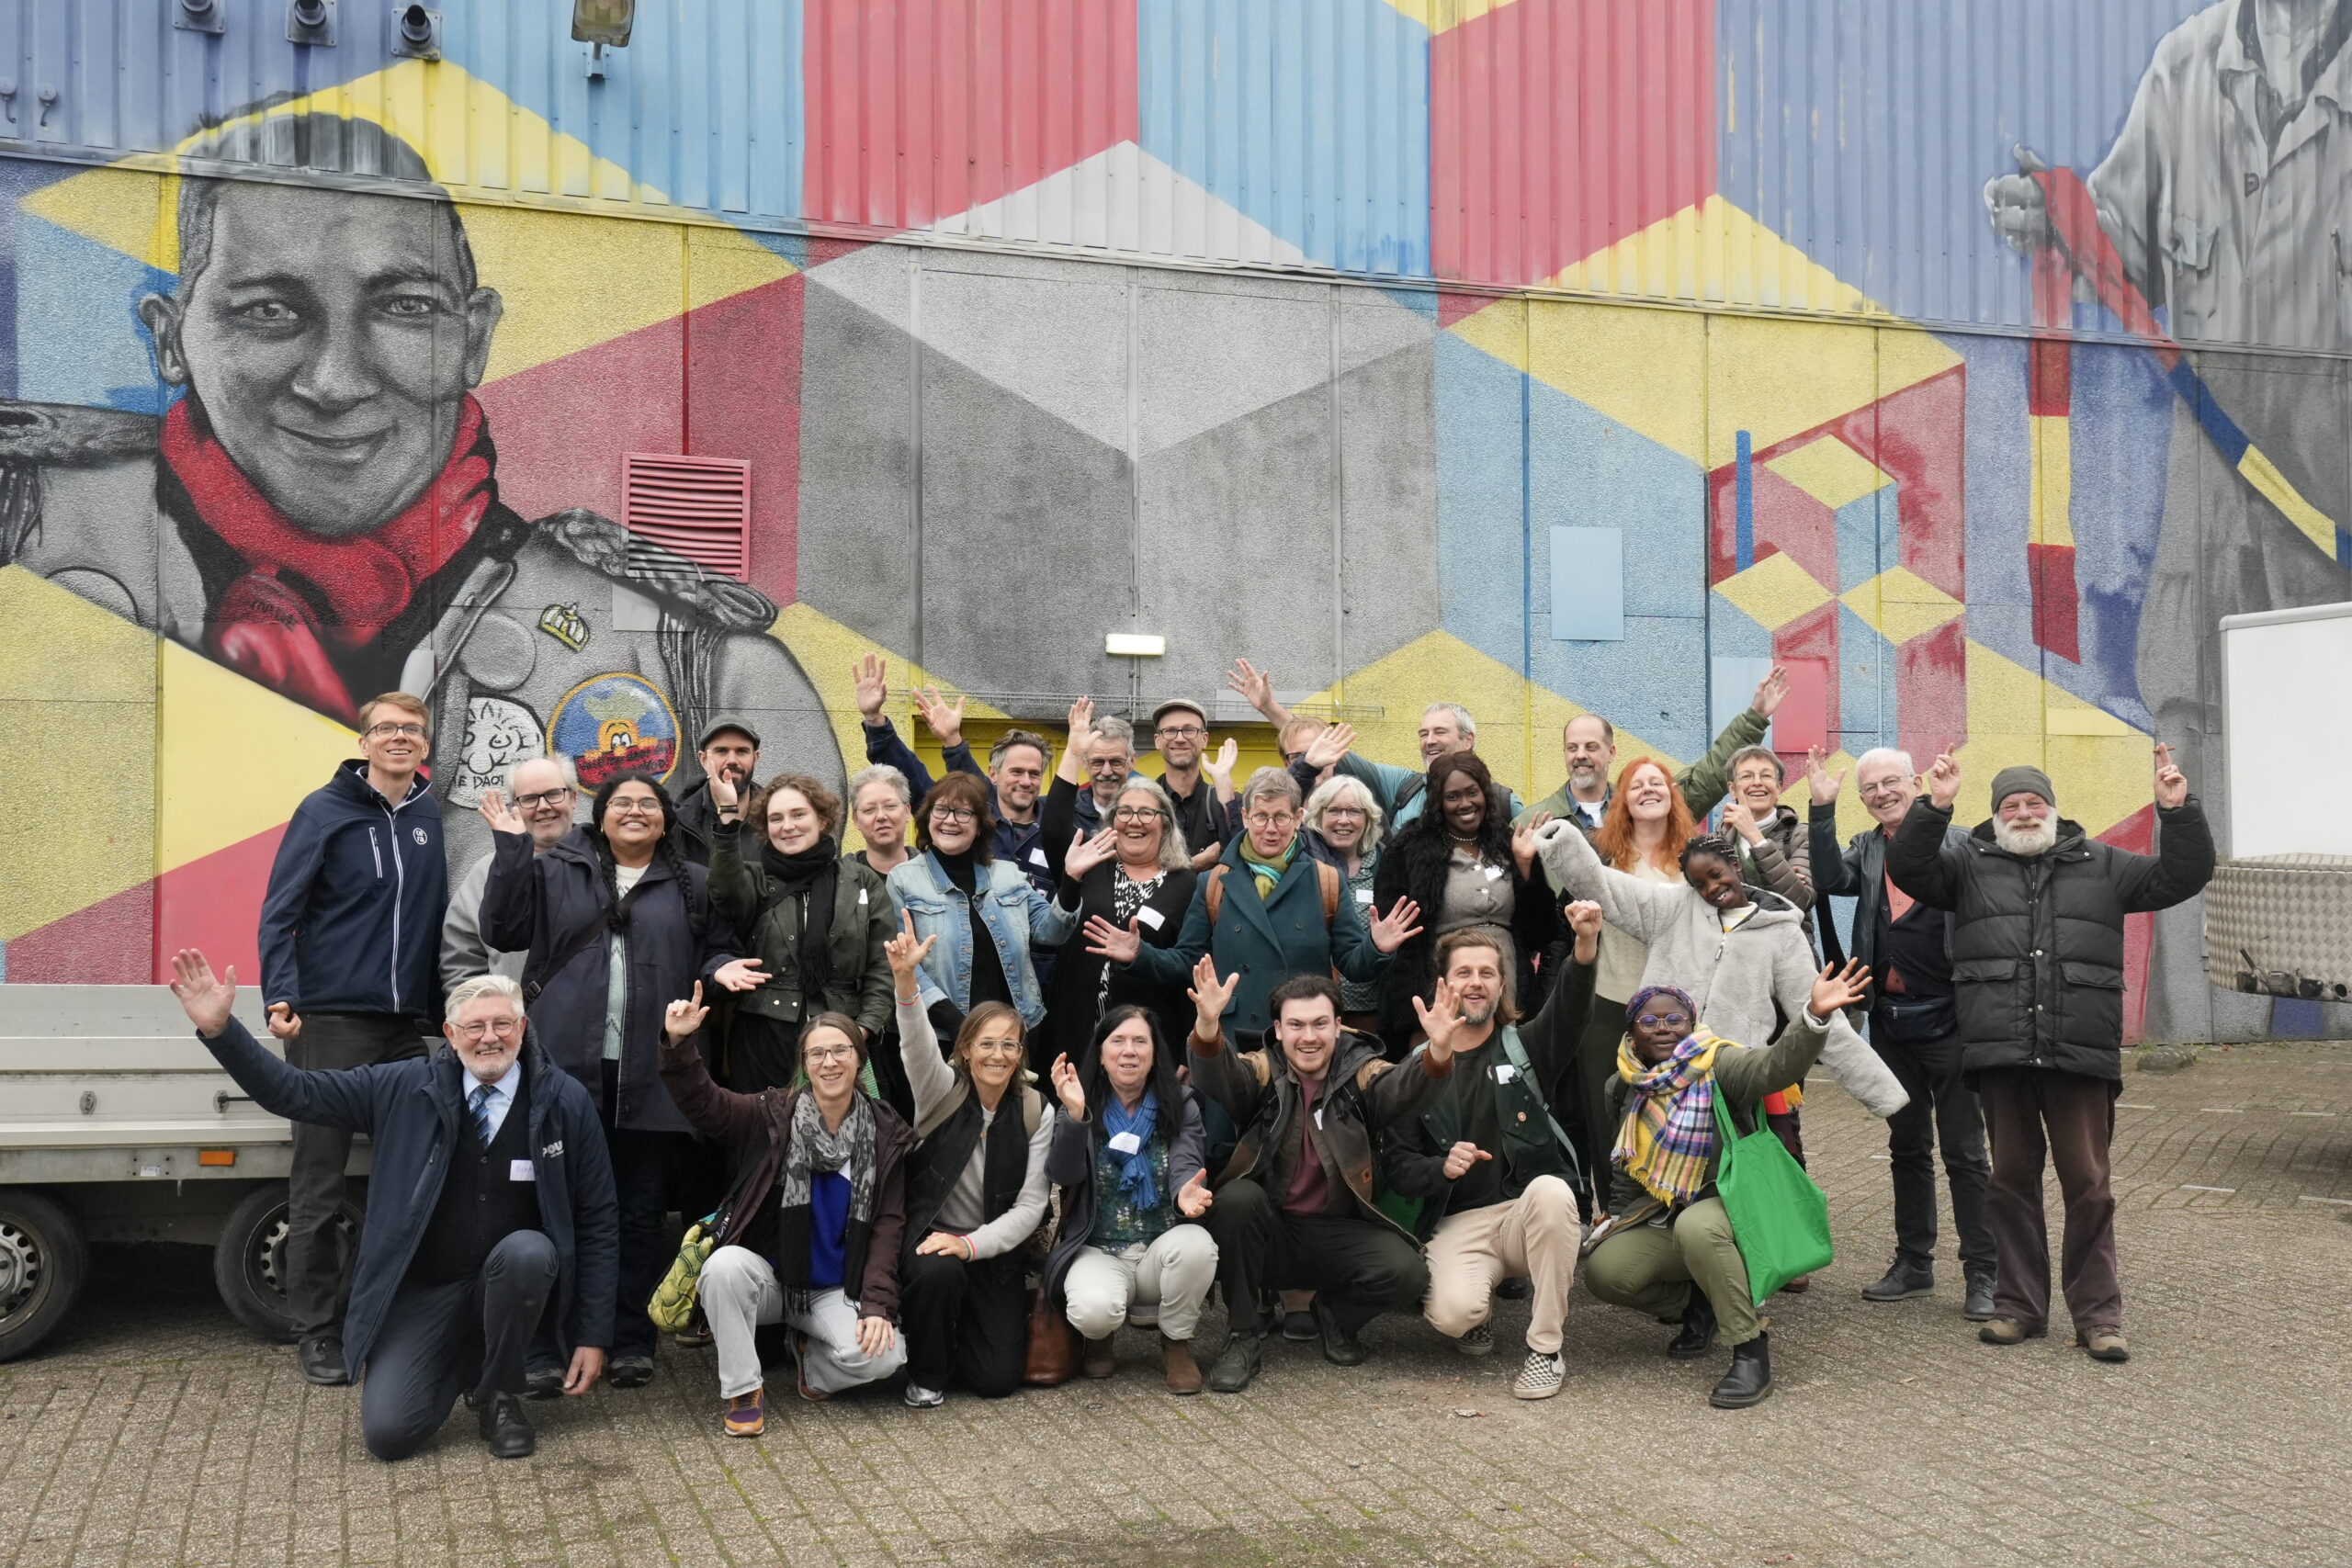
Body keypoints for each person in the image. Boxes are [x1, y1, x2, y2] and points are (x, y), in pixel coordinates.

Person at [1, 109, 838, 878]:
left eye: (404, 307)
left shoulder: (694, 667)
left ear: (473, 337)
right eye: (268, 311)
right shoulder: (29, 536)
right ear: (170, 337)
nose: (334, 382)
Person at [169, 955, 616, 1461]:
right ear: (449, 1032)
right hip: (423, 1290)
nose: (489, 1038)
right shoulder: (402, 1086)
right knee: (389, 1435)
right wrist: (222, 1031)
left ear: (522, 1027)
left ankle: (498, 1390)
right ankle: (462, 1356)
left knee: (529, 1253)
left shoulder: (565, 1101)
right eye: (475, 1026)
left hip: (513, 1281)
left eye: (502, 1024)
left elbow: (599, 1221)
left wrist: (593, 1335)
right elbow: (294, 1091)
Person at [1887, 747, 2215, 1361]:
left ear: (2054, 809)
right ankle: (2019, 1306)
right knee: (2009, 1183)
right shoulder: (1967, 866)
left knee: (2088, 1183)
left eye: (2033, 802)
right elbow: (1908, 867)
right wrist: (1936, 805)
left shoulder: (2105, 864)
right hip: (2001, 1053)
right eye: (2010, 804)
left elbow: (2182, 875)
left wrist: (2178, 809)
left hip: (2078, 1051)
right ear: (1995, 816)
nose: (2023, 812)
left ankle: (2098, 1315)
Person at [477, 773, 765, 1389]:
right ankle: (547, 1345)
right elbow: (501, 930)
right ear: (600, 817)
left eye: (649, 804)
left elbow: (712, 952)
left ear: (665, 819)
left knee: (636, 1215)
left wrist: (722, 971)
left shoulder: (689, 882)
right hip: (564, 1074)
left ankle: (630, 1339)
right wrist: (510, 848)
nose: (635, 812)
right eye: (622, 803)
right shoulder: (558, 868)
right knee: (558, 1210)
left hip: (652, 1072)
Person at [257, 690, 447, 1387]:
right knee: (320, 1179)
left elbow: (431, 922)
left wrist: (443, 1011)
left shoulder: (429, 816)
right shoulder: (325, 810)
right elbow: (281, 914)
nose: (400, 738)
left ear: (425, 744)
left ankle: (389, 1310)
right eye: (387, 728)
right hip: (329, 1021)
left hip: (404, 1029)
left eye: (412, 730)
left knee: (418, 1172)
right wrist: (281, 994)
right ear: (364, 739)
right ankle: (316, 1328)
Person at [1582, 962, 1872, 1408]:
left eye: (1674, 1019)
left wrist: (1813, 1017)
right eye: (1649, 1021)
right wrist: (1617, 1220)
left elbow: (1775, 1067)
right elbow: (1626, 1167)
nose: (1663, 1028)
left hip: (1734, 1204)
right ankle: (1700, 1304)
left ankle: (1750, 1350)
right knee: (1607, 1272)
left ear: (1692, 1024)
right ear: (1632, 1032)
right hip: (1666, 1213)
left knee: (1697, 1227)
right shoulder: (1622, 1087)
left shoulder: (1720, 1063)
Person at [1185, 963, 1456, 1392]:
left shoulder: (1362, 1071)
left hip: (1338, 1230)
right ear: (1277, 1029)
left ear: (1339, 1026)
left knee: (1407, 1272)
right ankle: (1244, 1337)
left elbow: (1400, 1087)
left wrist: (1436, 1052)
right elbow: (1222, 1077)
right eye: (1296, 1025)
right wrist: (1207, 1025)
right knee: (1235, 1199)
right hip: (1270, 1229)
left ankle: (1334, 1317)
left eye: (1319, 1024)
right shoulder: (1262, 1069)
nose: (1308, 1036)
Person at [656, 988, 910, 1434]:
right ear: (804, 1064)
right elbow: (707, 1105)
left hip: (836, 1287)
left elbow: (888, 1227)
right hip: (773, 1280)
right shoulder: (772, 1113)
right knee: (722, 1267)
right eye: (817, 1054)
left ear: (859, 1059)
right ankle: (742, 1390)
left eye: (840, 1051)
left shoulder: (886, 1131)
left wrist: (876, 1305)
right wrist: (679, 1047)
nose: (829, 1062)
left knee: (886, 1357)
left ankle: (812, 1368)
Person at [1534, 820, 1909, 1122]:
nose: (1712, 888)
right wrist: (1561, 842)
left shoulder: (1781, 932)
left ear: (1735, 865)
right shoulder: (1674, 909)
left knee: (1728, 1177)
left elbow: (1826, 1023)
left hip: (1730, 1078)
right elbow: (1606, 887)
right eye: (1699, 884)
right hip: (1660, 1066)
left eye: (1716, 875)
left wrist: (1885, 1097)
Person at [1806, 745, 1996, 1320]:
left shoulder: (1962, 845)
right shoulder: (1865, 850)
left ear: (1916, 783)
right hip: (1889, 1022)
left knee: (1966, 1153)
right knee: (1906, 1147)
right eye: (1870, 789)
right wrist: (1821, 810)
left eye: (1892, 782)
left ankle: (1984, 1272)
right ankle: (1914, 1263)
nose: (1882, 793)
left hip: (1955, 1020)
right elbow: (1827, 877)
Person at [1380, 912, 1600, 1400]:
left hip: (1525, 1216)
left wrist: (1585, 945)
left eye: (1486, 973)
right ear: (1444, 985)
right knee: (1455, 1316)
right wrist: (1439, 1167)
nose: (1475, 983)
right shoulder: (1413, 1072)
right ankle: (1476, 1316)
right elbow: (1397, 1167)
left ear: (1503, 985)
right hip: (1458, 1224)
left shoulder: (1526, 1048)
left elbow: (1571, 1008)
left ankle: (1545, 1351)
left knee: (1552, 1192)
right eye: (1464, 972)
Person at [880, 918, 1052, 1406]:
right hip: (929, 1240)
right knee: (939, 1273)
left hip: (989, 1251)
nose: (997, 1055)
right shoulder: (940, 1090)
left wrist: (972, 1245)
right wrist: (906, 981)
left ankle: (950, 1338)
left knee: (996, 1380)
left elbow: (1031, 1207)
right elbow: (913, 1041)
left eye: (1009, 1045)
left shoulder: (1037, 1110)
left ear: (1020, 1055)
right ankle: (927, 1375)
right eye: (986, 1044)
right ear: (965, 1050)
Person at [1125, 767, 1421, 1043]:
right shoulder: (1213, 883)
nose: (1270, 828)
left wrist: (1377, 947)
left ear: (1298, 817)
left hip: (1305, 1039)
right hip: (1234, 1040)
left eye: (1280, 817)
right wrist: (1140, 953)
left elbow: (1353, 966)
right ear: (1244, 817)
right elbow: (1188, 961)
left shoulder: (1326, 881)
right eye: (1260, 816)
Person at [1044, 1010, 1218, 1393]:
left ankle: (1175, 1342)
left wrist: (1183, 1191)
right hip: (1098, 1249)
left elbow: (1187, 1159)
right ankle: (1100, 1336)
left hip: (1160, 1247)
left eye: (1141, 1041)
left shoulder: (1180, 1103)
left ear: (1155, 1054)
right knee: (1092, 1311)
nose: (1129, 1051)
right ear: (1102, 1055)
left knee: (1199, 1247)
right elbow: (1063, 1175)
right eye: (1118, 1042)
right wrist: (1074, 1116)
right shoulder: (1079, 1102)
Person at [706, 771, 894, 1096]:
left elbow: (884, 964)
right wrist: (727, 821)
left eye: (798, 814)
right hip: (764, 1038)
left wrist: (864, 1027)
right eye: (776, 818)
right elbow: (724, 892)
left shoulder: (861, 881)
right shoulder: (754, 879)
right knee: (767, 1138)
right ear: (766, 830)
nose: (787, 826)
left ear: (822, 820)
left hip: (843, 1036)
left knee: (842, 1137)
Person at [1372, 751, 1564, 1057]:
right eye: (1453, 796)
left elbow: (1541, 932)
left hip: (1509, 985)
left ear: (1485, 793)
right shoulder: (1409, 849)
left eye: (1472, 793)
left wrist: (1526, 866)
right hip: (1440, 988)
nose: (1465, 803)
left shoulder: (1508, 843)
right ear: (1437, 801)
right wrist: (1414, 1020)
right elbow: (1401, 943)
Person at [887, 773, 1077, 1040]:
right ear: (927, 818)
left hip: (1016, 1032)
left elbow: (1052, 932)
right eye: (941, 810)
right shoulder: (903, 880)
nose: (950, 820)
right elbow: (906, 965)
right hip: (944, 1036)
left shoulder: (1008, 874)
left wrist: (1072, 879)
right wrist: (960, 1027)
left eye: (964, 813)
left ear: (979, 826)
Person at [1226, 659, 1520, 828]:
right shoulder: (1405, 786)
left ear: (1468, 739)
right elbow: (1329, 750)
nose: (1429, 741)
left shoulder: (1502, 800)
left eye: (1440, 732)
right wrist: (1269, 709)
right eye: (1423, 733)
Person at [853, 655, 1057, 894]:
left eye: (1034, 774)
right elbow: (912, 775)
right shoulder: (964, 815)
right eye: (1016, 772)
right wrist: (875, 720)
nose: (1025, 781)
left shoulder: (1059, 826)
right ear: (994, 773)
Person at [1044, 770, 1200, 1074]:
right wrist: (1070, 877)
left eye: (1146, 812)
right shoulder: (1090, 865)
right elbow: (1052, 828)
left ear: (1165, 823)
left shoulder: (1187, 884)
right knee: (1078, 1117)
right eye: (1124, 812)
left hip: (1148, 1042)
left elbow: (1191, 970)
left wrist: (1186, 1050)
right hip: (1079, 1030)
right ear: (1112, 821)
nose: (1134, 821)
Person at [1516, 668, 1787, 831]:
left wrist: (1754, 717)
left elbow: (1707, 778)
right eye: (1572, 748)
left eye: (1591, 747)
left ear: (1611, 753)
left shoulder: (1645, 807)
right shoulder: (1535, 821)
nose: (1581, 755)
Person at [443, 757, 575, 991]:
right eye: (530, 799)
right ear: (515, 807)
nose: (543, 807)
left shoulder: (603, 863)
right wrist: (486, 1016)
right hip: (514, 1024)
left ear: (573, 799)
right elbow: (461, 961)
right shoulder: (486, 875)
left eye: (554, 794)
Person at [1301, 773, 1387, 1034]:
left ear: (1368, 819)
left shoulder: (1387, 863)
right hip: (1312, 1009)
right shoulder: (1303, 865)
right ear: (1318, 816)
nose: (1344, 820)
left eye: (1354, 811)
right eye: (1334, 811)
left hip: (1372, 1010)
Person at [1147, 698, 1237, 869]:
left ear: (1204, 739)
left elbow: (1244, 851)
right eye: (1170, 731)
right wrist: (1195, 864)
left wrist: (1225, 786)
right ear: (1157, 741)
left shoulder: (1225, 801)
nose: (1180, 738)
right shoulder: (1143, 806)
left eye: (1189, 730)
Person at [673, 722, 762, 867]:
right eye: (721, 751)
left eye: (742, 751)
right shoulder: (678, 822)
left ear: (755, 758)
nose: (732, 760)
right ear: (704, 759)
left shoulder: (775, 817)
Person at [846, 764, 916, 877]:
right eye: (869, 810)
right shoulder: (840, 880)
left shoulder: (933, 872)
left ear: (907, 811)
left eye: (890, 806)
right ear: (855, 820)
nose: (881, 816)